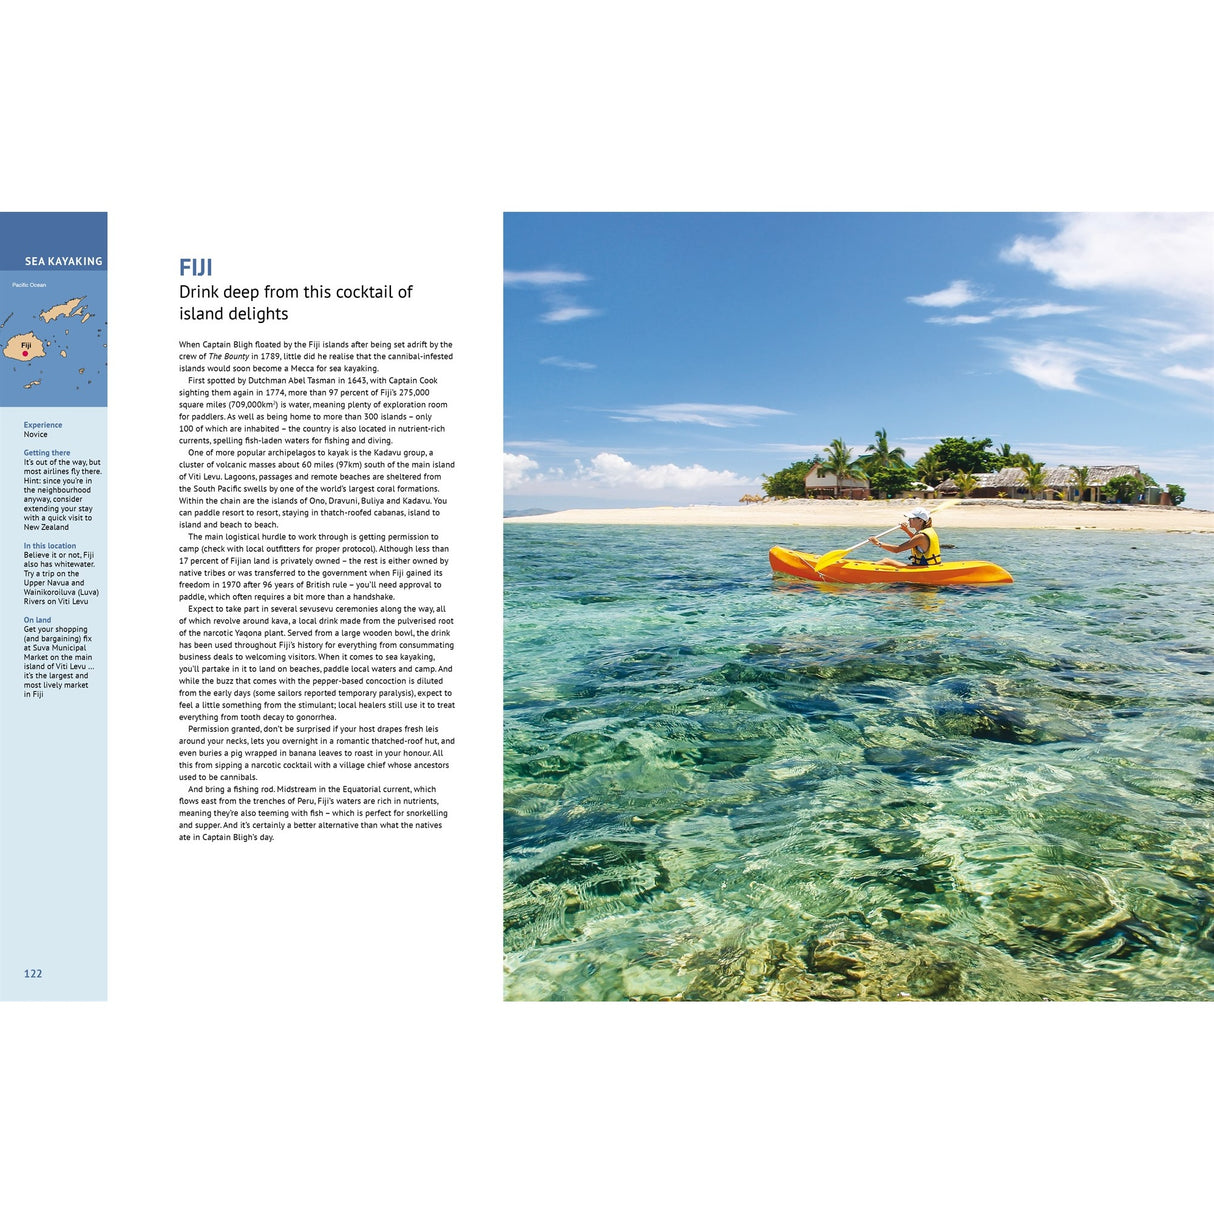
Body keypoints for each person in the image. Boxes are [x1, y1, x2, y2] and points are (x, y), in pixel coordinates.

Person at [868, 507, 941, 567]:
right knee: (886, 561)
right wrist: (906, 530)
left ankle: (868, 570)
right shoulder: (927, 531)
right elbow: (916, 541)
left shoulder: (921, 536)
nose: (908, 520)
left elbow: (897, 549)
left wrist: (878, 543)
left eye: (912, 518)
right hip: (929, 565)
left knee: (886, 561)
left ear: (921, 521)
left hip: (923, 568)